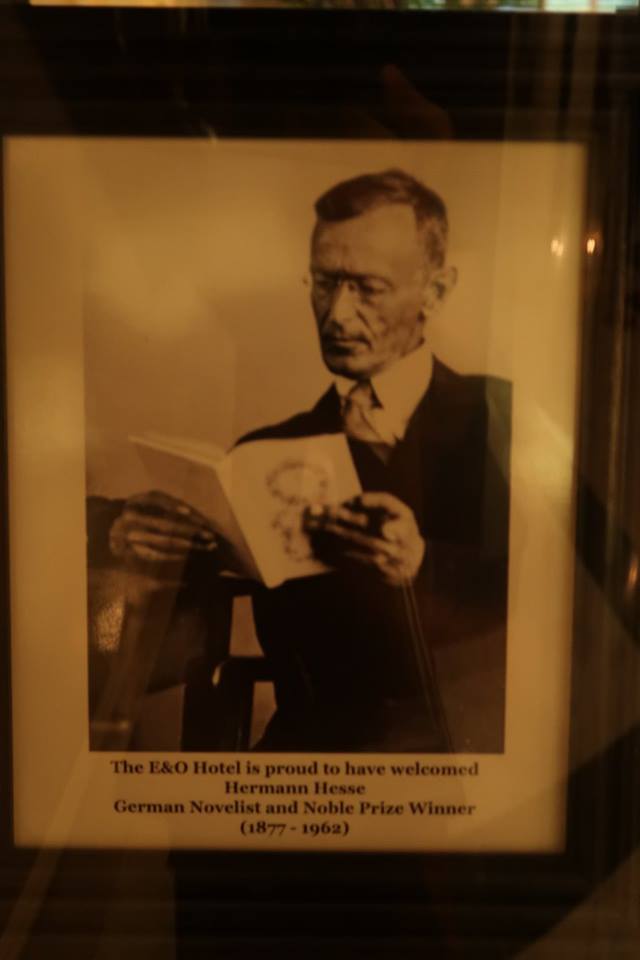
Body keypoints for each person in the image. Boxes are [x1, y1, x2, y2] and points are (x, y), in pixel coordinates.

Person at [96, 168, 511, 753]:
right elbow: (172, 636)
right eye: (323, 283)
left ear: (436, 292)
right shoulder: (263, 454)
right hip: (304, 763)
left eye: (367, 287)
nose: (336, 315)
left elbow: (570, 589)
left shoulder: (500, 418)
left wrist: (422, 564)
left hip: (459, 764)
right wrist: (132, 541)